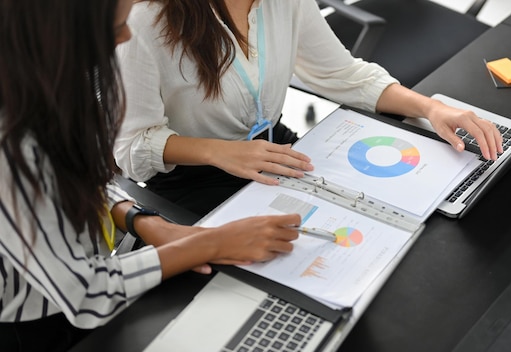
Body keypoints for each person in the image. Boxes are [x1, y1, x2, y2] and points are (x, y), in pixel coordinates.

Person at [0, 0, 300, 350]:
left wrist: (142, 221)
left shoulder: (51, 86)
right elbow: (85, 291)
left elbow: (72, 182)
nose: (128, 35)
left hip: (86, 286)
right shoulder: (12, 144)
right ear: (61, 37)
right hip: (35, 325)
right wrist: (212, 242)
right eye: (116, 28)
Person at [114, 0, 504, 216]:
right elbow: (132, 146)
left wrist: (431, 108)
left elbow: (343, 74)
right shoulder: (144, 20)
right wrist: (220, 151)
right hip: (194, 175)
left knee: (382, 218)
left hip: (273, 148)